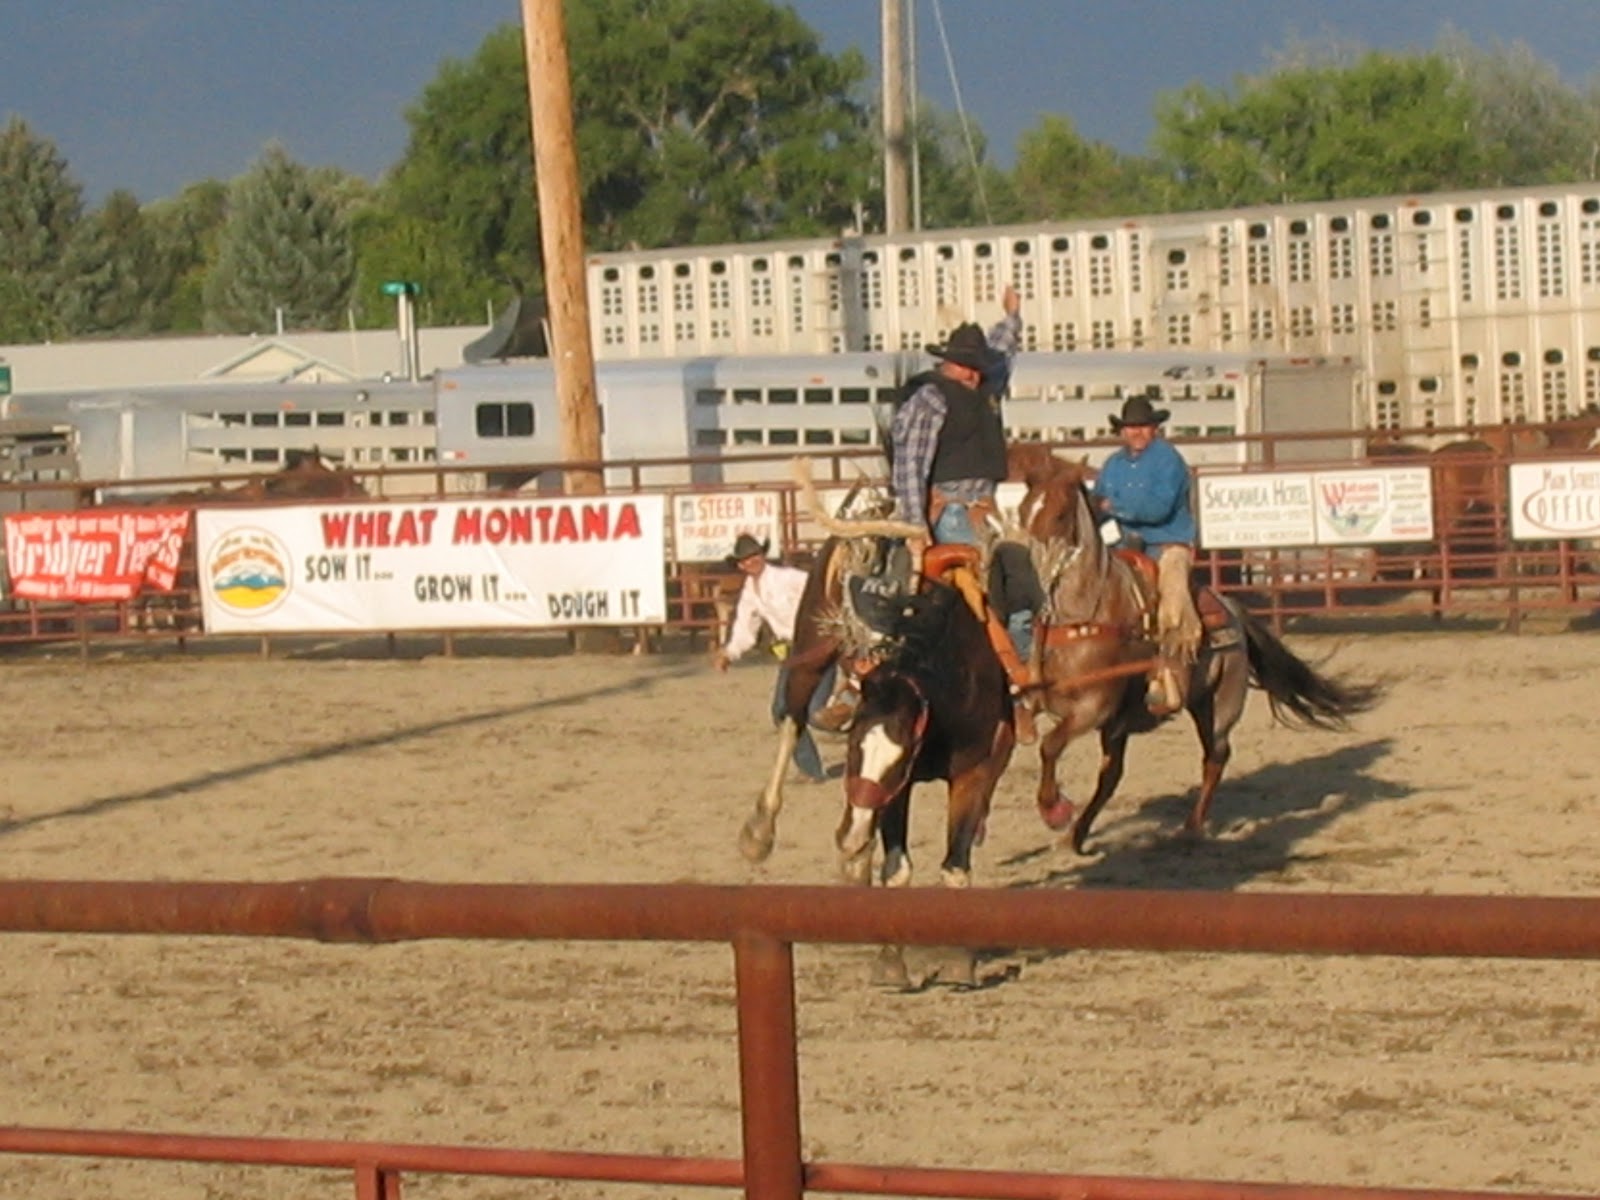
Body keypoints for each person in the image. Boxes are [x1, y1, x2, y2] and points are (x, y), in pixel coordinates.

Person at [1091, 394, 1203, 716]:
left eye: (1142, 426)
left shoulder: (1169, 460)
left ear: (1155, 428)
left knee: (1171, 601)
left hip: (1166, 543)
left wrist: (1114, 507)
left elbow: (1158, 508)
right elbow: (1097, 501)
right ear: (1122, 431)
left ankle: (1171, 673)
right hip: (1121, 545)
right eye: (1130, 427)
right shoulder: (1113, 464)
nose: (1136, 432)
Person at [712, 532, 831, 781]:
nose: (751, 561)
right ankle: (811, 769)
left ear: (762, 555)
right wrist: (730, 652)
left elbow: (821, 589)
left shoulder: (788, 577)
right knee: (782, 711)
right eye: (745, 559)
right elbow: (745, 629)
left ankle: (854, 719)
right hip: (792, 652)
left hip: (816, 644)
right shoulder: (750, 593)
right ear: (740, 565)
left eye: (754, 555)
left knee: (815, 713)